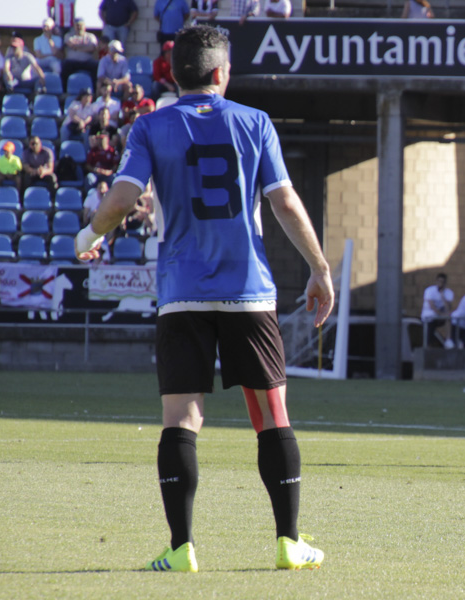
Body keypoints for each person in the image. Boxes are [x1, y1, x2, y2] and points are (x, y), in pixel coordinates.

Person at [74, 25, 332, 573]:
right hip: (248, 292)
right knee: (271, 414)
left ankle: (182, 547)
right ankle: (288, 541)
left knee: (181, 417)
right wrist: (319, 267)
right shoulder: (255, 122)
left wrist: (89, 235)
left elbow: (123, 197)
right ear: (222, 73)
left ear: (174, 73)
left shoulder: (149, 126)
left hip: (182, 294)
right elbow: (283, 201)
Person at [421, 272, 454, 348]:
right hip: (429, 317)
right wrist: (442, 315)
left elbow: (448, 308)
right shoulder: (429, 291)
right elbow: (432, 306)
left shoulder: (449, 292)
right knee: (429, 336)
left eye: (442, 282)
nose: (440, 284)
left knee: (449, 319)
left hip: (440, 317)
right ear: (436, 281)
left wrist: (443, 297)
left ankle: (448, 340)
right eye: (439, 281)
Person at [62, 18, 99, 84]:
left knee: (96, 66)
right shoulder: (69, 35)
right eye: (77, 25)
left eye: (81, 25)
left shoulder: (91, 36)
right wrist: (85, 47)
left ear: (84, 26)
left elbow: (92, 48)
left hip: (87, 62)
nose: (79, 27)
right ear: (74, 26)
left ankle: (94, 90)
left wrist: (77, 48)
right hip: (72, 62)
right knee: (65, 65)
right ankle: (65, 90)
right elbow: (71, 45)